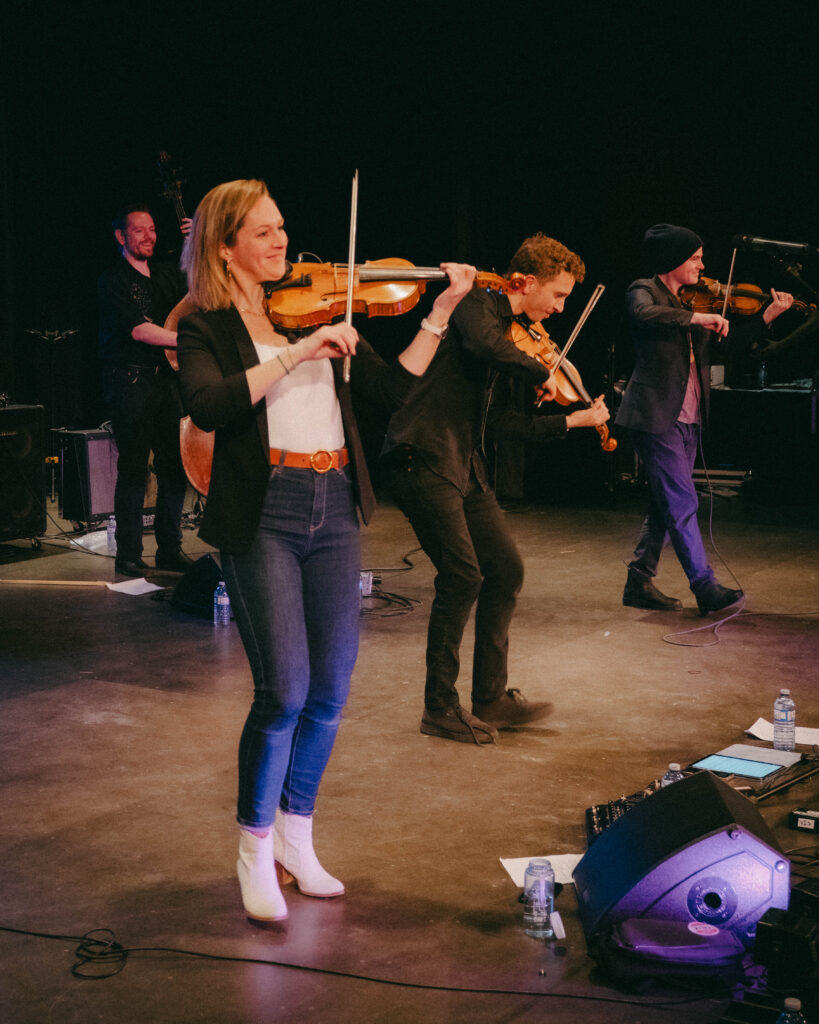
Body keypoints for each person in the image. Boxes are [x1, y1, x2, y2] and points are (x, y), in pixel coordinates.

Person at [176, 178, 475, 922]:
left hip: (335, 506)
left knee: (333, 692)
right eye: (265, 232)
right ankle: (253, 849)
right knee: (284, 693)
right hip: (265, 512)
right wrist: (297, 351)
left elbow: (394, 392)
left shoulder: (325, 308)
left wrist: (437, 313)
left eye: (283, 228)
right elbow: (207, 404)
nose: (282, 242)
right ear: (225, 245)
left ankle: (295, 839)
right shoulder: (206, 324)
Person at [380, 234, 610, 745]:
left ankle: (491, 697)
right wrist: (536, 369)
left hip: (467, 464)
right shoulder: (475, 305)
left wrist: (568, 422)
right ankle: (439, 707)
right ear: (525, 282)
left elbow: (503, 422)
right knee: (462, 577)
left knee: (505, 568)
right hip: (422, 453)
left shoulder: (509, 340)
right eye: (558, 295)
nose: (559, 308)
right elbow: (483, 343)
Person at [616, 223, 794, 614]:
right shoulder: (643, 290)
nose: (701, 265)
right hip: (656, 417)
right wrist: (696, 319)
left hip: (689, 419)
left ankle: (638, 580)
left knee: (665, 505)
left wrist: (768, 316)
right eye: (695, 257)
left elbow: (728, 348)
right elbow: (644, 314)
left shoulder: (690, 302)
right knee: (682, 501)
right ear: (672, 259)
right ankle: (704, 586)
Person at [97, 205, 193, 576]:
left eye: (152, 229)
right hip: (130, 382)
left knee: (174, 468)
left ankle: (170, 550)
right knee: (135, 470)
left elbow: (197, 281)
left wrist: (193, 240)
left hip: (166, 381)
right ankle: (129, 555)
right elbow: (139, 329)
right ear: (121, 236)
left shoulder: (165, 273)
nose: (149, 236)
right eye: (140, 231)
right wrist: (189, 341)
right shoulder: (112, 280)